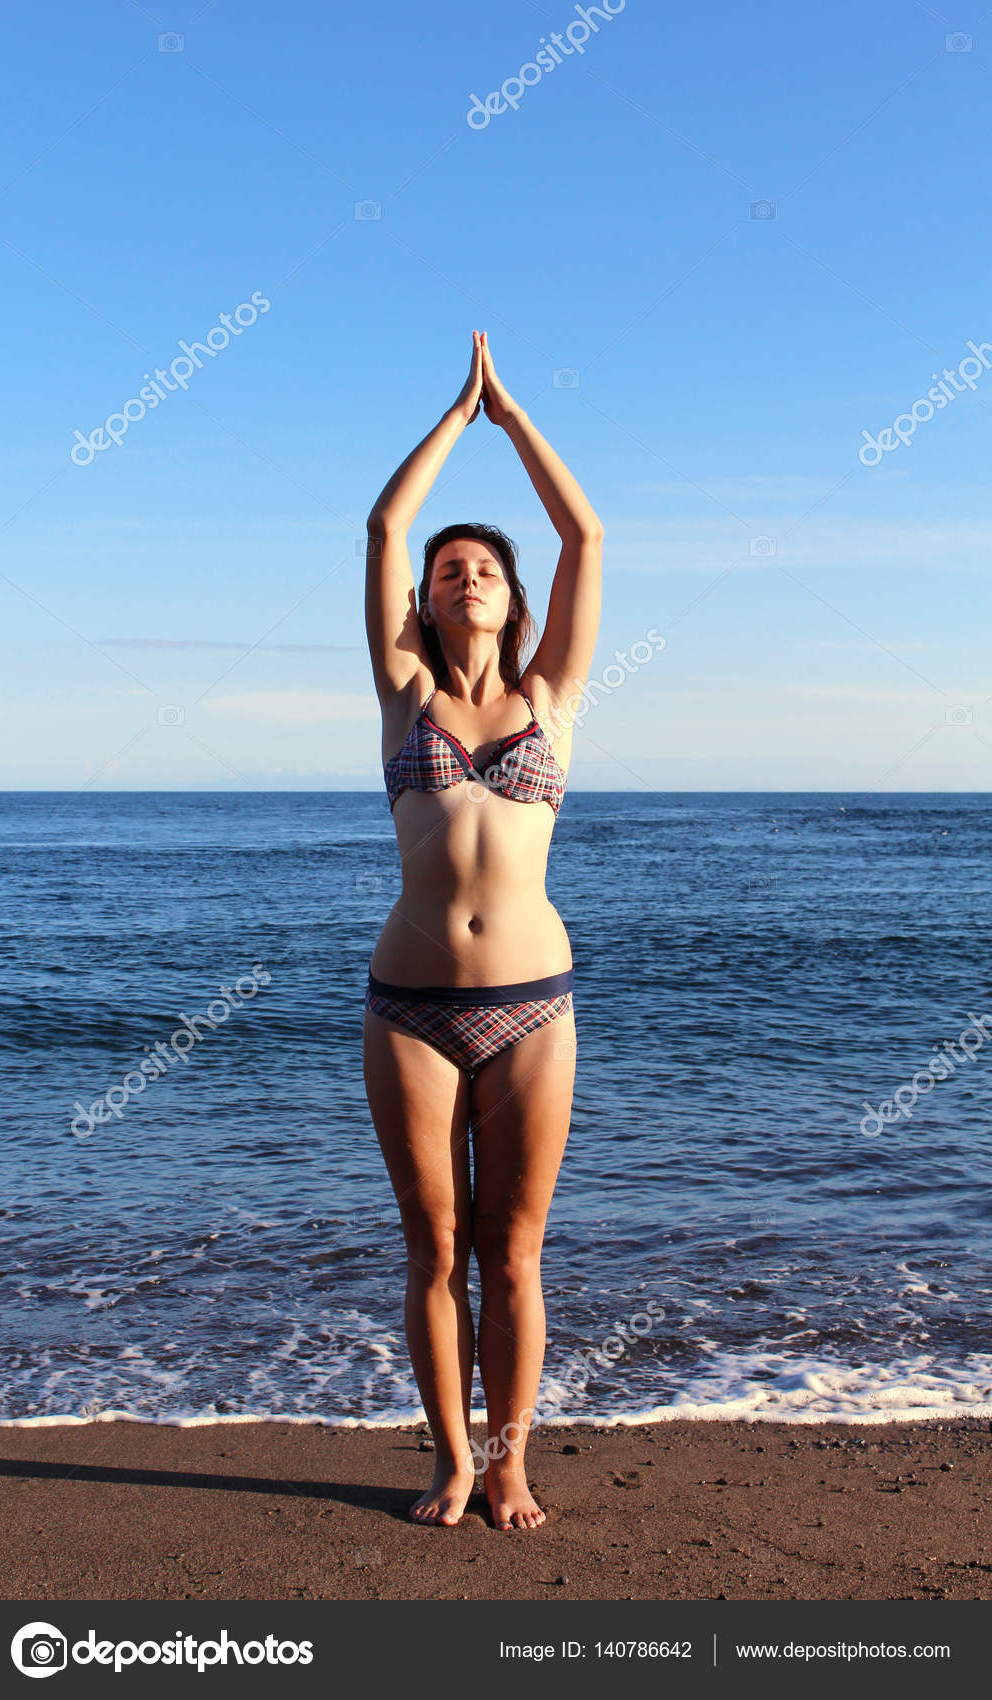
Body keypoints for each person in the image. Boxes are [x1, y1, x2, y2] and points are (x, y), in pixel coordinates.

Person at [362, 331, 602, 1531]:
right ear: (428, 600)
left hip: (533, 1003)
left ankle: (512, 1460)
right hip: (410, 1002)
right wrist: (453, 418)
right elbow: (380, 530)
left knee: (513, 1252)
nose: (466, 578)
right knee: (434, 1249)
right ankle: (453, 1460)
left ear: (509, 598)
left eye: (484, 570)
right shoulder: (406, 694)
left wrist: (511, 416)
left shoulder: (549, 698)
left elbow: (587, 538)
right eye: (450, 569)